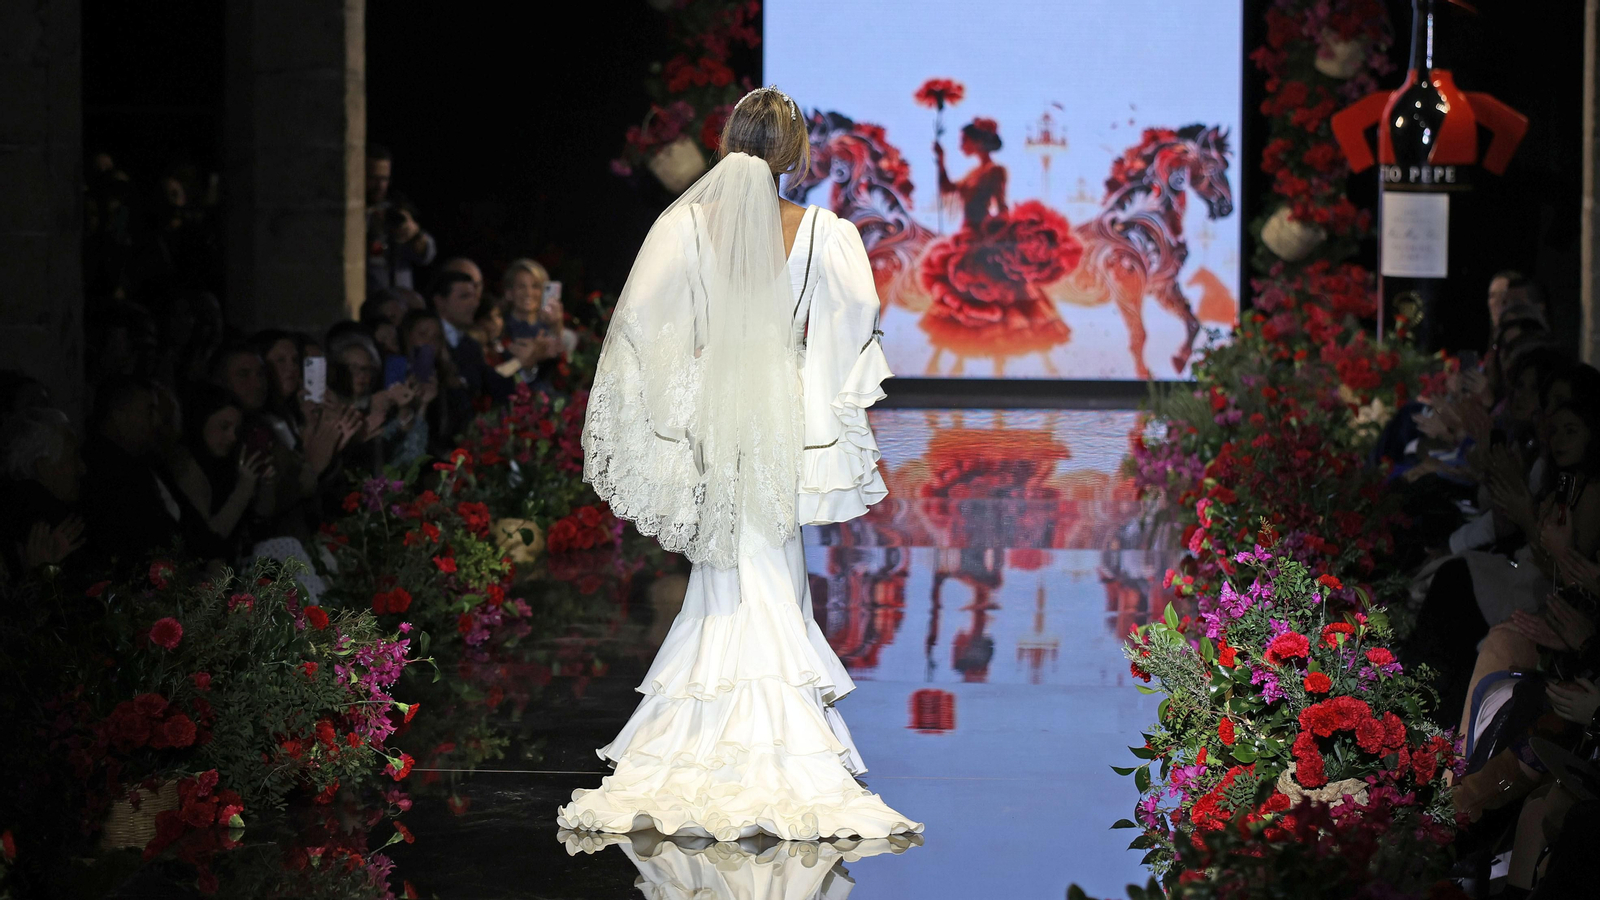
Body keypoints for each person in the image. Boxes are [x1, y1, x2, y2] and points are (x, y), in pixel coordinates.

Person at [557, 85, 921, 841]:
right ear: (794, 155)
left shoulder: (687, 226)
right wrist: (820, 393)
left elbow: (641, 323)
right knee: (764, 563)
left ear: (729, 140)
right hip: (781, 420)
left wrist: (687, 387)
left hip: (713, 422)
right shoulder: (824, 233)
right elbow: (854, 326)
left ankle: (699, 739)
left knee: (729, 566)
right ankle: (771, 743)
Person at [920, 117, 1080, 373]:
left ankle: (1005, 365)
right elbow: (948, 188)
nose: (962, 146)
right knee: (960, 299)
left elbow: (1002, 206)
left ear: (979, 143)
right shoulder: (973, 173)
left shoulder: (995, 171)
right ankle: (954, 360)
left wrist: (997, 234)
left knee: (1001, 297)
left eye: (966, 141)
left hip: (983, 238)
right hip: (967, 237)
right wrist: (940, 161)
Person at [169, 383, 275, 555]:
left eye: (236, 430)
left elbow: (261, 517)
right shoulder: (186, 466)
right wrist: (243, 490)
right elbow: (207, 539)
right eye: (224, 427)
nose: (232, 437)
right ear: (201, 421)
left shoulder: (230, 461)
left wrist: (265, 484)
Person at [0, 407, 86, 581]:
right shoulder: (52, 521)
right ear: (44, 467)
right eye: (73, 457)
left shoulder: (14, 506)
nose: (82, 469)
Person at [366, 144, 436, 293]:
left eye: (384, 179)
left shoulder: (395, 207)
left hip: (399, 300)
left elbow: (426, 256)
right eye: (373, 178)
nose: (380, 185)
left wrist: (414, 234)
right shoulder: (352, 214)